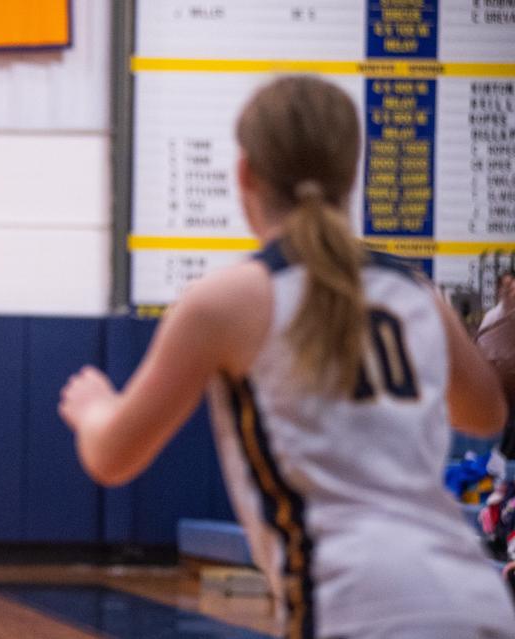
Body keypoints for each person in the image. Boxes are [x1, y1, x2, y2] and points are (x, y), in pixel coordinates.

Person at [58, 76, 515, 639]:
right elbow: (485, 415)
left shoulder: (226, 301)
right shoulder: (415, 292)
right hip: (477, 600)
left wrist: (95, 407)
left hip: (356, 606)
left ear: (245, 173)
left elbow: (113, 456)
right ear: (352, 176)